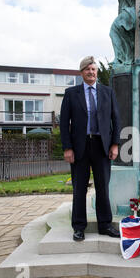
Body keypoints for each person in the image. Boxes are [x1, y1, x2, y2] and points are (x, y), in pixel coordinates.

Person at [60, 56, 122, 241]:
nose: (91, 72)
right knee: (79, 188)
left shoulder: (107, 92)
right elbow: (64, 123)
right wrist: (67, 148)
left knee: (103, 187)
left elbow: (116, 119)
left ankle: (105, 225)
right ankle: (79, 227)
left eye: (93, 69)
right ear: (81, 73)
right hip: (79, 147)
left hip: (102, 146)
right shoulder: (71, 93)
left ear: (96, 72)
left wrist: (115, 144)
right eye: (87, 70)